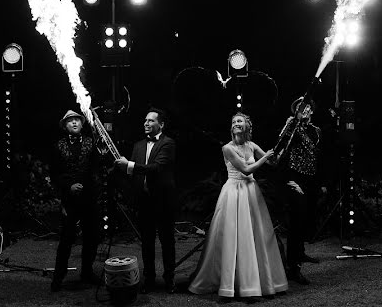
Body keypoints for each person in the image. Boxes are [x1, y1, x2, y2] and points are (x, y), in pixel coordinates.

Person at [188, 112, 289, 299]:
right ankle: (232, 285)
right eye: (234, 121)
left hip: (251, 192)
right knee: (235, 237)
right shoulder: (227, 148)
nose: (236, 123)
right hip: (234, 192)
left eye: (240, 121)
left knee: (255, 235)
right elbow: (246, 170)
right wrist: (265, 157)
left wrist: (280, 149)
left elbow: (273, 163)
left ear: (247, 126)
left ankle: (260, 284)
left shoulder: (251, 145)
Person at [114, 108, 177, 294]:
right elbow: (133, 172)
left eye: (150, 121)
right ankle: (149, 280)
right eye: (145, 120)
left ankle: (169, 280)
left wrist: (129, 165)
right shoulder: (139, 145)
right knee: (147, 242)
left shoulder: (168, 143)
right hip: (145, 202)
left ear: (161, 124)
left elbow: (155, 168)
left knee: (167, 242)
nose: (146, 123)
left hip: (163, 201)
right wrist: (120, 166)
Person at [274, 96, 326, 285]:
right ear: (295, 111)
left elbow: (318, 158)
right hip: (294, 178)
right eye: (299, 107)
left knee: (306, 219)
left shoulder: (317, 131)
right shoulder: (292, 127)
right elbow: (281, 147)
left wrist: (321, 182)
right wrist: (291, 124)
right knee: (296, 221)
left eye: (306, 107)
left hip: (310, 179)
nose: (303, 109)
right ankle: (292, 267)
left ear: (311, 110)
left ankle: (300, 253)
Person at [50, 109, 103, 291]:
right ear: (65, 126)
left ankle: (87, 272)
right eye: (70, 121)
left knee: (91, 237)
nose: (74, 123)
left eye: (77, 120)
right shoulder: (59, 146)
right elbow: (55, 174)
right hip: (70, 201)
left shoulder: (91, 143)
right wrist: (68, 187)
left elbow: (96, 171)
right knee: (66, 240)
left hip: (88, 199)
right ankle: (58, 277)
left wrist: (91, 188)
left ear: (82, 124)